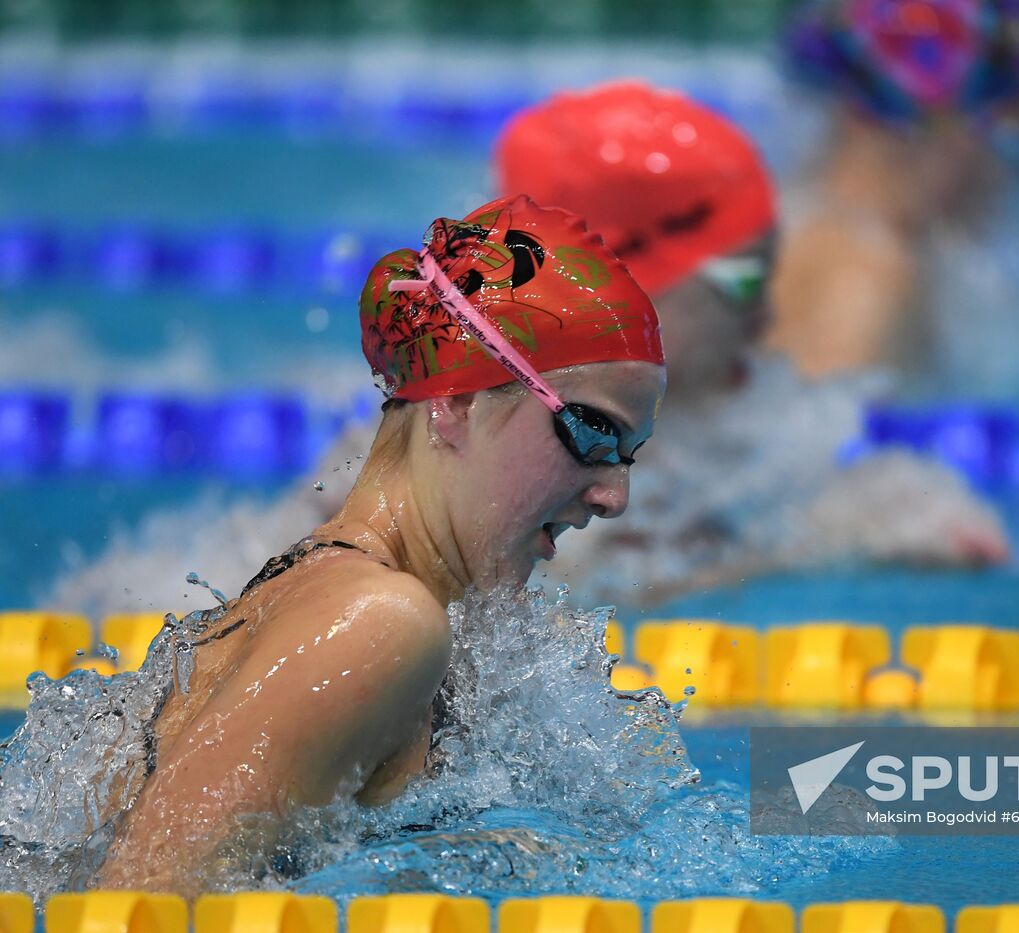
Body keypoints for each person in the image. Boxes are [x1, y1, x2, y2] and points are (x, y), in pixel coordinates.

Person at [92, 195, 666, 894]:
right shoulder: (377, 624)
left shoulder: (347, 594)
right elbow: (135, 904)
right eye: (592, 433)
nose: (615, 496)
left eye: (628, 454)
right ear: (456, 400)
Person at [496, 81, 1007, 605]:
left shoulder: (695, 426)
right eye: (740, 282)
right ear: (628, 286)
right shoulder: (512, 450)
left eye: (768, 282)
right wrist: (821, 546)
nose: (764, 317)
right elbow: (563, 605)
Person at [768, 0, 1019, 378]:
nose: (1009, 180)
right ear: (946, 125)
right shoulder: (870, 274)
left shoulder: (799, 219)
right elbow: (819, 433)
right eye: (1011, 141)